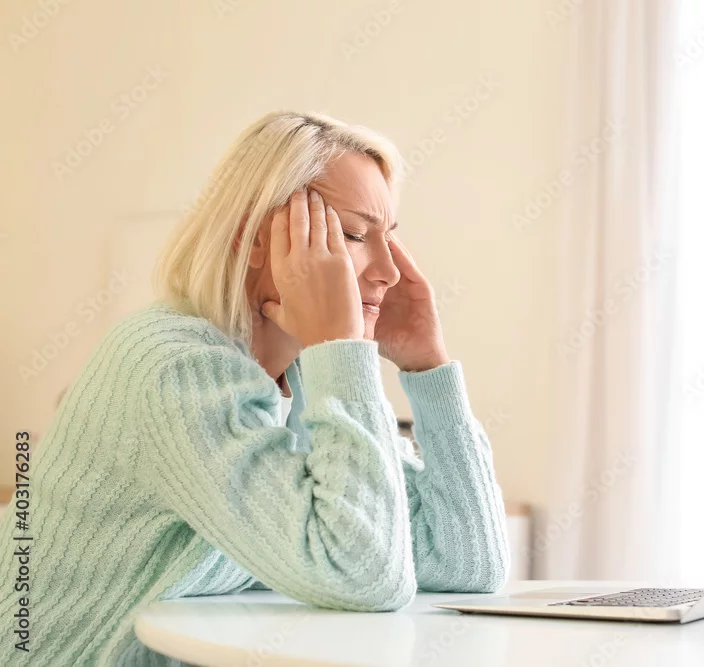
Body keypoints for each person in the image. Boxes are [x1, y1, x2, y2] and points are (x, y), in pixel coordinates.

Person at [0, 111, 509, 666]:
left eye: (390, 238)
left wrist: (427, 367)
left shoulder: (303, 379)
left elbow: (469, 564)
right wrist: (341, 350)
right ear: (254, 237)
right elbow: (364, 578)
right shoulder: (173, 367)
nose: (388, 271)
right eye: (355, 234)